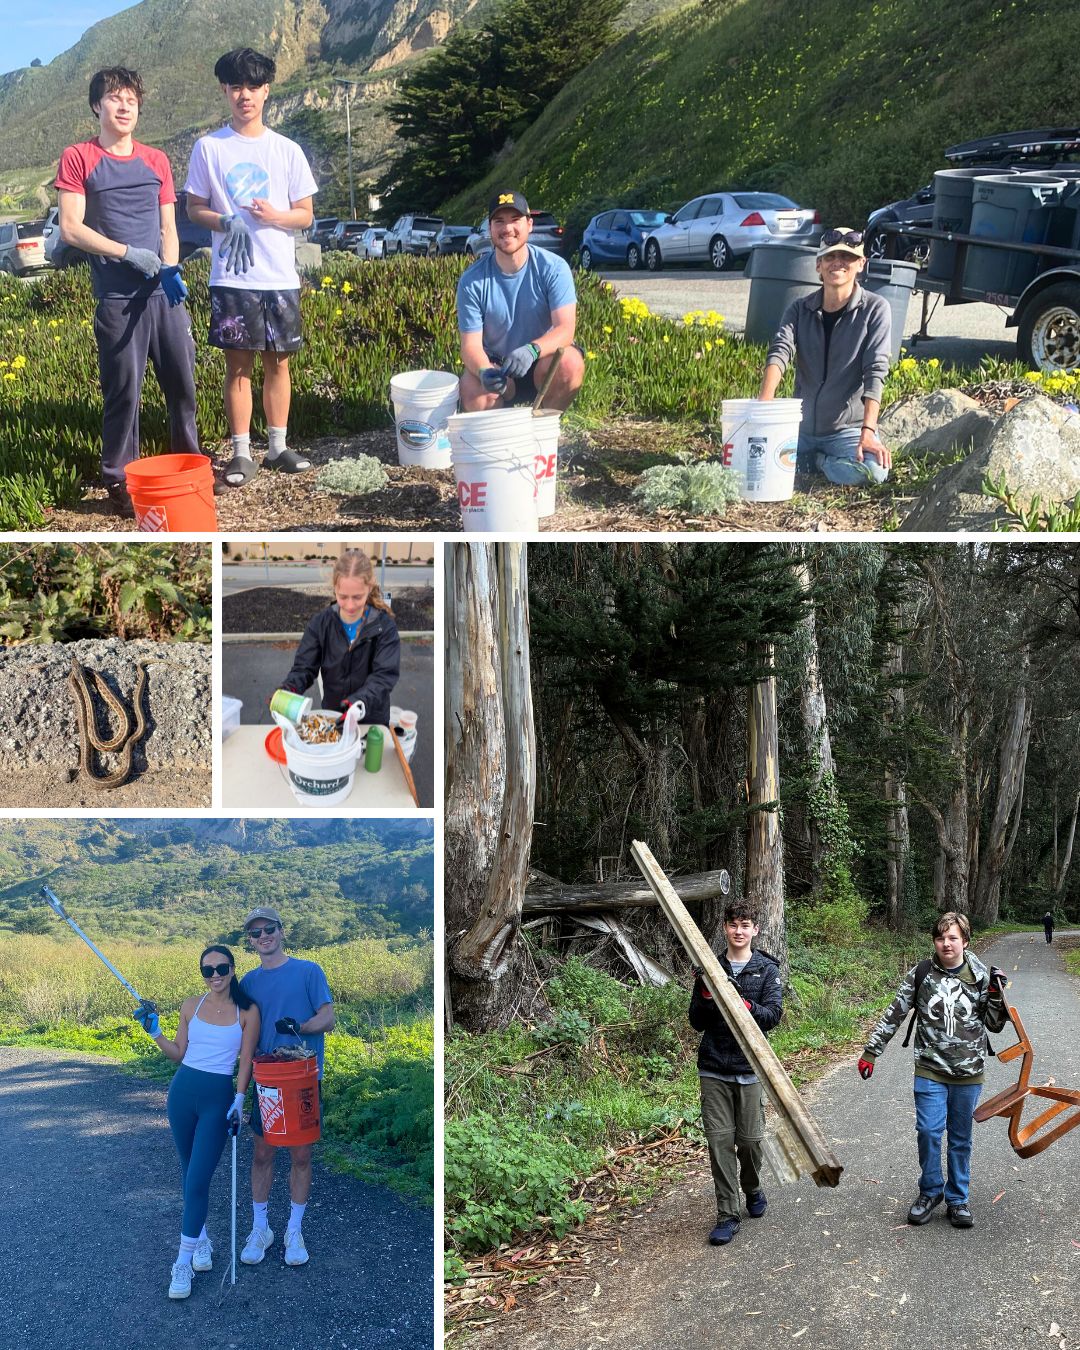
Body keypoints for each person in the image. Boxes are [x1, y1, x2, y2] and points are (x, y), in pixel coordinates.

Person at [55, 67, 199, 518]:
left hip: (163, 297)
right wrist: (126, 253)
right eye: (114, 99)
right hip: (117, 300)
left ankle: (190, 467)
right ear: (96, 106)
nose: (124, 107)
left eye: (131, 100)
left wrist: (170, 267)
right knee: (123, 394)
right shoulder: (79, 157)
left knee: (183, 386)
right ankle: (119, 480)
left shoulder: (156, 160)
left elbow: (169, 227)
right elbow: (71, 227)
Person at [185, 48, 318, 489]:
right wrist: (226, 220)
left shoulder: (287, 150)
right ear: (224, 90)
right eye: (237, 86)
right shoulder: (209, 148)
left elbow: (305, 214)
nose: (245, 95)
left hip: (279, 275)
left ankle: (278, 447)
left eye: (254, 86)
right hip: (232, 276)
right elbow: (194, 207)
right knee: (238, 366)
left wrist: (275, 216)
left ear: (267, 91)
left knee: (279, 364)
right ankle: (241, 452)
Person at [858, 911, 1009, 1229]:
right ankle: (930, 1192)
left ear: (965, 941)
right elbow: (895, 1013)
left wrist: (997, 995)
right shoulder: (922, 973)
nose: (946, 943)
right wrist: (872, 1052)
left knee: (960, 1137)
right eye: (940, 938)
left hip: (968, 1071)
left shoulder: (981, 976)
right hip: (930, 1067)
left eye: (953, 937)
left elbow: (994, 1025)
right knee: (928, 1131)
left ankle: (958, 1199)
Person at [132, 945, 260, 1299]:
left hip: (218, 1099)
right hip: (182, 1094)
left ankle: (182, 1262)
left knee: (199, 1179)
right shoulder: (191, 1005)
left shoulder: (248, 1011)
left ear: (232, 969)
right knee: (189, 1173)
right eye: (207, 970)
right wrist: (155, 1033)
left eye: (221, 968)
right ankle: (201, 1240)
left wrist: (239, 1099)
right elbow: (178, 1054)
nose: (215, 975)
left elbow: (247, 1060)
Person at [758, 227, 893, 486]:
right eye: (830, 256)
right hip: (799, 427)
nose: (838, 262)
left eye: (847, 257)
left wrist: (868, 432)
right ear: (818, 265)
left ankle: (817, 462)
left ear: (861, 264)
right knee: (757, 456)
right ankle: (804, 458)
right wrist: (764, 406)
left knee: (874, 472)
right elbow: (780, 351)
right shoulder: (799, 309)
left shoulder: (876, 309)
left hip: (846, 431)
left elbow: (876, 370)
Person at [239, 906, 334, 1268]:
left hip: (302, 1081)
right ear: (250, 941)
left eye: (269, 929)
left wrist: (301, 1028)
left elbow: (328, 1017)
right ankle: (260, 1228)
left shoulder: (309, 971)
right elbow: (235, 1024)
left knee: (301, 1156)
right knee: (262, 1154)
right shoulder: (248, 982)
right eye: (256, 933)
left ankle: (294, 1230)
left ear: (281, 931)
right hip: (266, 1082)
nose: (263, 936)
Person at [688, 900, 783, 1246]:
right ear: (725, 928)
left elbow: (773, 1016)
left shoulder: (766, 969)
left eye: (745, 925)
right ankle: (727, 1214)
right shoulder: (710, 968)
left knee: (750, 1142)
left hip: (750, 1068)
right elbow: (696, 1022)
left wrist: (745, 1005)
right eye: (733, 925)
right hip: (713, 1067)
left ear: (755, 929)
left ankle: (752, 1187)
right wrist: (705, 994)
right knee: (719, 1143)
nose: (738, 931)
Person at [456, 190, 585, 412]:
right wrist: (485, 372)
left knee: (569, 364)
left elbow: (565, 329)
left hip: (542, 360)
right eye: (499, 221)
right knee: (472, 391)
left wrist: (531, 351)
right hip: (500, 369)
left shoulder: (554, 268)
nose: (507, 228)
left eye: (515, 219)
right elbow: (470, 346)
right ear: (490, 228)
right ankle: (498, 431)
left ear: (529, 224)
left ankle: (546, 426)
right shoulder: (472, 280)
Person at [277, 548, 400, 726]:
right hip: (333, 718)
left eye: (357, 597)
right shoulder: (320, 624)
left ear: (369, 588)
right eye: (343, 597)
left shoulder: (384, 627)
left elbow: (384, 676)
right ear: (335, 589)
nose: (350, 606)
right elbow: (304, 668)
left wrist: (358, 703)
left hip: (371, 720)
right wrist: (289, 689)